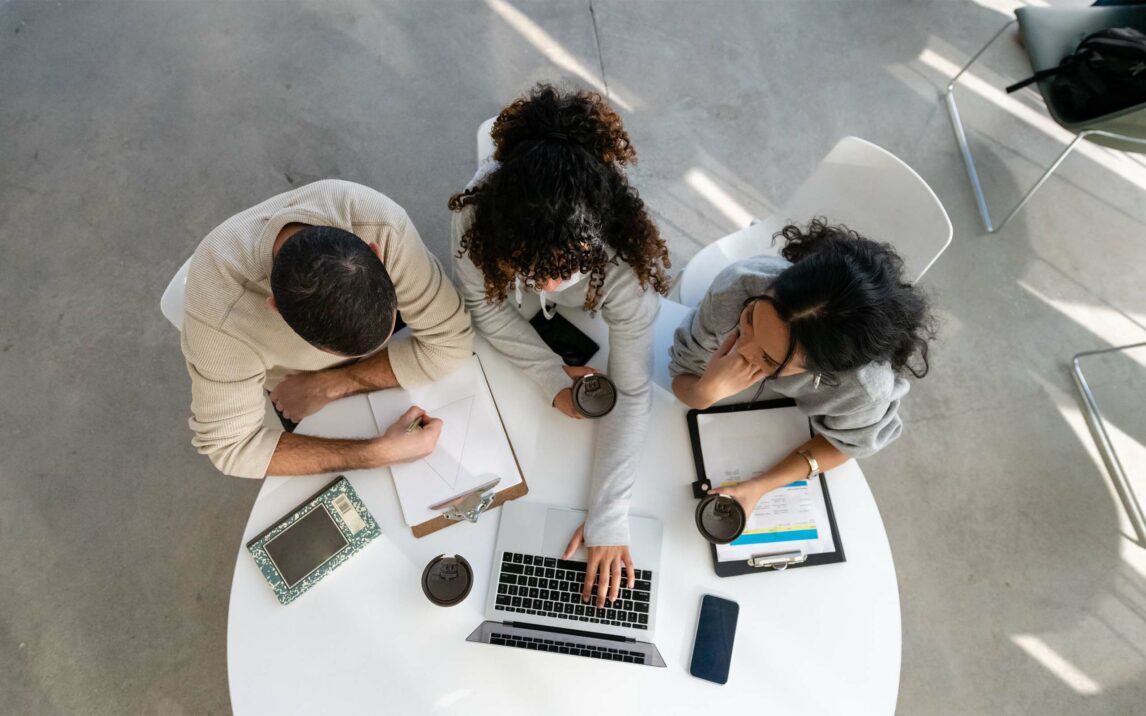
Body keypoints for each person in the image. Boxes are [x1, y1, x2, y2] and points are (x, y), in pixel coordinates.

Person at [449, 84, 671, 608]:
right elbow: (485, 307)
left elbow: (634, 390)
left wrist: (609, 517)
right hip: (525, 334)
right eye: (531, 270)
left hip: (596, 310)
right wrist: (551, 377)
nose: (548, 285)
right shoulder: (473, 218)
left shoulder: (620, 266)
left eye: (565, 270)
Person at [182, 179, 473, 479]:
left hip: (314, 385)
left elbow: (452, 342)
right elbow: (232, 448)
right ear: (277, 309)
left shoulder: (379, 222)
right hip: (294, 385)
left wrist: (333, 384)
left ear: (375, 253)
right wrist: (378, 453)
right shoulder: (219, 315)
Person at [670, 218, 936, 514]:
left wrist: (761, 486)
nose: (741, 350)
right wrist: (702, 394)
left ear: (824, 372)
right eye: (749, 319)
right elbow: (683, 367)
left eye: (770, 359)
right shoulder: (739, 287)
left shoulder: (863, 388)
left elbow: (846, 444)